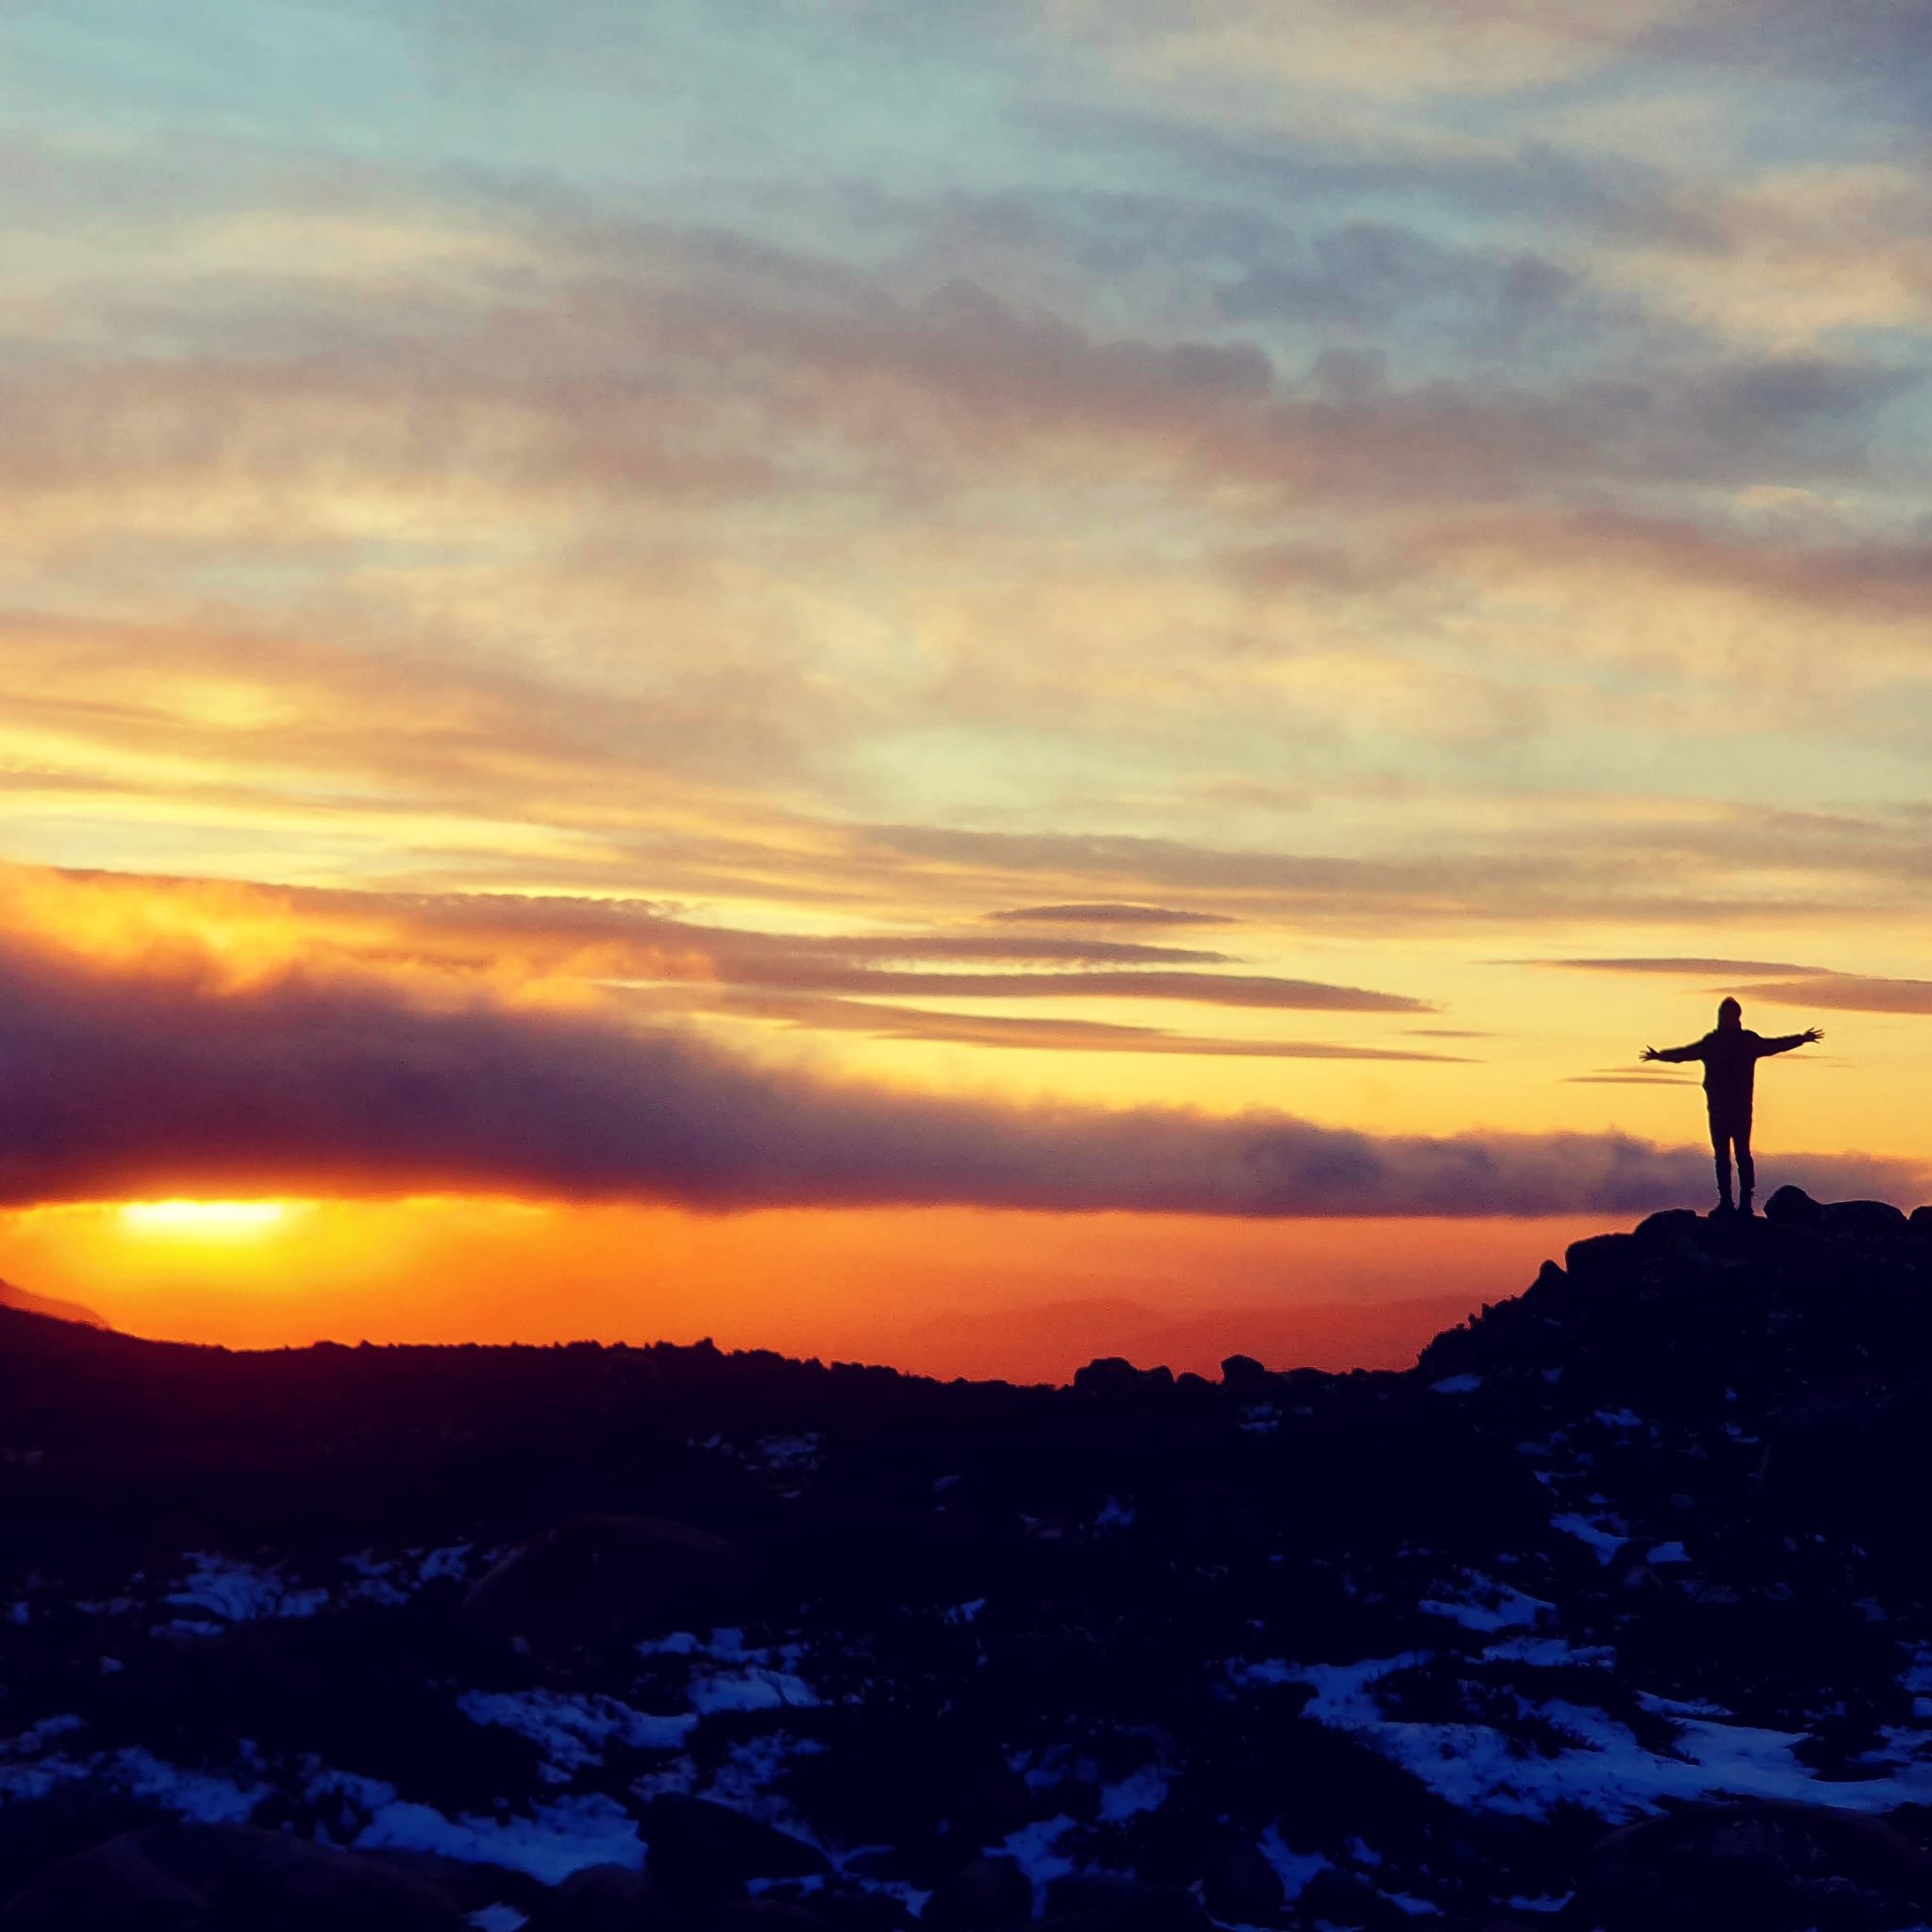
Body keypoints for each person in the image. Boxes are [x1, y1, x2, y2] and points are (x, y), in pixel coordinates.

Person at [1641, 998, 1823, 1215]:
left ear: (1735, 1016)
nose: (1723, 1018)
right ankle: (1726, 1201)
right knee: (1722, 1155)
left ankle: (1745, 1203)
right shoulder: (1714, 1041)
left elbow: (1774, 1045)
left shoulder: (1746, 1041)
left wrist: (1800, 1039)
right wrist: (1660, 1056)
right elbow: (1685, 1053)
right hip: (1718, 1108)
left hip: (1740, 1108)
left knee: (1742, 1155)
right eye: (1722, 1014)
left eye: (1726, 1014)